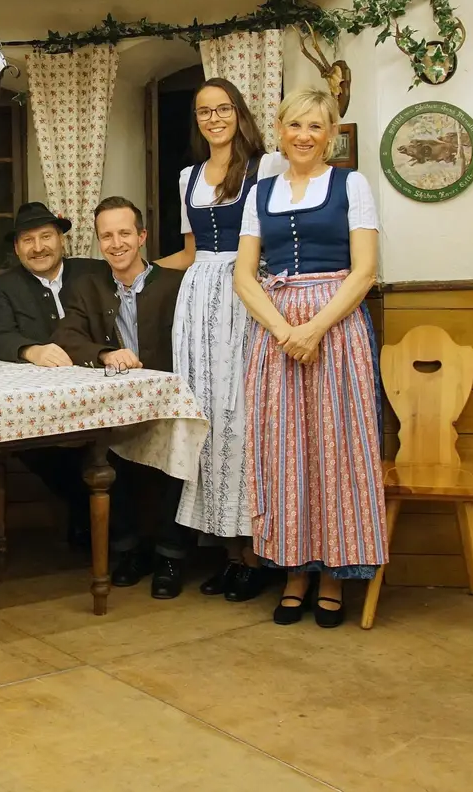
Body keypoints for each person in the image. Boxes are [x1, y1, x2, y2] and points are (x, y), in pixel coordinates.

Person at [234, 87, 386, 629]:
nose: (304, 136)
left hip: (336, 328)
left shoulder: (351, 184)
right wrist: (284, 331)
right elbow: (244, 276)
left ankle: (334, 576)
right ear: (279, 130)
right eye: (295, 125)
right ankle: (294, 572)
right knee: (283, 451)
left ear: (331, 135)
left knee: (336, 449)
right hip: (276, 331)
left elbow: (364, 271)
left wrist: (315, 328)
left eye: (316, 126)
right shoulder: (260, 193)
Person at [154, 78, 288, 603]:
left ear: (239, 112)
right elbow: (190, 253)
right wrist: (136, 270)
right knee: (206, 421)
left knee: (244, 420)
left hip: (247, 292)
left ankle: (256, 555)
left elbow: (277, 238)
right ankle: (230, 554)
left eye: (222, 109)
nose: (214, 118)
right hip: (199, 301)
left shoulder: (266, 166)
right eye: (204, 111)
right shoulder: (187, 176)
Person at [52, 197, 187, 597]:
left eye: (124, 233)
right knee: (105, 456)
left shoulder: (175, 284)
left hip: (170, 403)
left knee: (177, 462)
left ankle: (170, 557)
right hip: (116, 408)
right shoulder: (88, 286)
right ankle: (129, 552)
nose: (116, 243)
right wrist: (105, 354)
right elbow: (66, 336)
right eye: (107, 236)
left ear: (142, 236)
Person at [0, 201, 104, 549]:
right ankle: (85, 513)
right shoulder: (2, 287)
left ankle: (115, 531)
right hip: (44, 405)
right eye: (28, 240)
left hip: (98, 391)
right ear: (16, 248)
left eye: (46, 237)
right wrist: (31, 350)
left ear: (61, 240)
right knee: (31, 445)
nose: (38, 247)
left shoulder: (94, 272)